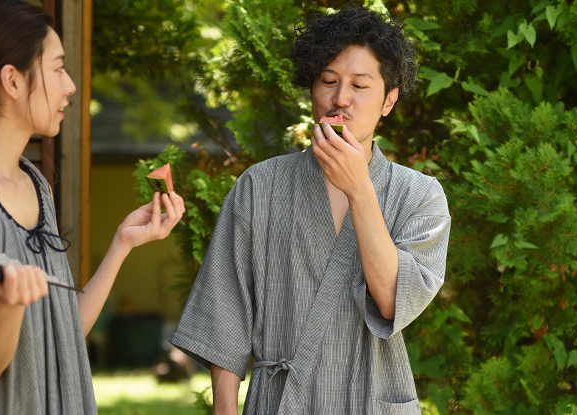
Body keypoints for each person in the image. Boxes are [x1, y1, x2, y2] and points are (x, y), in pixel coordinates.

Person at [0, 1, 185, 413]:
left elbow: (64, 332)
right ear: (13, 81)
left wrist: (122, 244)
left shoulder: (34, 184)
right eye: (57, 68)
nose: (70, 85)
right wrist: (9, 303)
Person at [169, 6, 451, 415]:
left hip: (370, 400)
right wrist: (225, 409)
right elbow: (223, 309)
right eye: (329, 81)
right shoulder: (260, 186)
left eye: (360, 85)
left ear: (388, 99)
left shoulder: (419, 195)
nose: (341, 99)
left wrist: (359, 189)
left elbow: (392, 301)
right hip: (280, 402)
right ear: (312, 90)